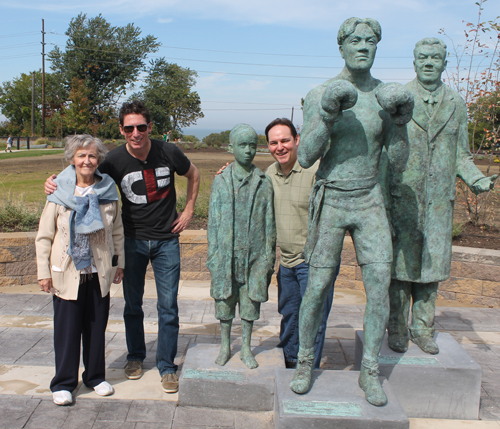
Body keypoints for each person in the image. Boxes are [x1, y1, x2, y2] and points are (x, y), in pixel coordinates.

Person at [289, 17, 413, 406]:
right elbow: (306, 156)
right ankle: (306, 361)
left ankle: (371, 370)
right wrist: (327, 114)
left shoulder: (385, 97)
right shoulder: (321, 92)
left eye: (370, 41)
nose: (363, 46)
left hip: (369, 199)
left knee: (379, 287)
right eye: (355, 40)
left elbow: (399, 161)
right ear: (340, 47)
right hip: (332, 199)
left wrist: (400, 123)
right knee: (317, 285)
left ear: (378, 47)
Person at [44, 101, 200, 394]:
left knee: (168, 307)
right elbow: (82, 169)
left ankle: (167, 365)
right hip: (132, 241)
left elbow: (194, 174)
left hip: (167, 241)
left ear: (150, 127)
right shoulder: (114, 160)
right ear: (122, 130)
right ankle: (135, 357)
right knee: (133, 306)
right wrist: (52, 181)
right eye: (129, 128)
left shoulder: (169, 152)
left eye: (141, 127)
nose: (136, 133)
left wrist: (189, 211)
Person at [386, 38, 498, 355]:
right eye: (423, 57)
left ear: (445, 63)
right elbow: (386, 152)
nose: (429, 62)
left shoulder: (457, 104)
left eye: (436, 57)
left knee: (430, 270)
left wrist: (476, 178)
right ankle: (396, 328)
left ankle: (423, 328)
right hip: (404, 198)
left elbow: (462, 155)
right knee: (400, 269)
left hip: (438, 202)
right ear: (414, 62)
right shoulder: (400, 100)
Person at [36, 134, 125, 406]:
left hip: (98, 273)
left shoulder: (108, 192)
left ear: (98, 160)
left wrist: (119, 263)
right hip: (67, 273)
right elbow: (44, 236)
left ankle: (95, 377)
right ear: (72, 159)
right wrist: (43, 271)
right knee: (67, 331)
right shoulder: (59, 192)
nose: (87, 160)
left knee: (96, 329)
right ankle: (63, 383)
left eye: (92, 156)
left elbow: (118, 231)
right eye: (81, 155)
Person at [265, 117, 340, 370]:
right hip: (286, 263)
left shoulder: (316, 171)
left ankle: (307, 370)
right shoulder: (270, 174)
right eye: (274, 142)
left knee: (313, 321)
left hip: (314, 263)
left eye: (285, 140)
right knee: (290, 316)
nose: (280, 147)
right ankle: (289, 362)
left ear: (297, 140)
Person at [207, 124, 276, 369]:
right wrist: (213, 255)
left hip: (254, 255)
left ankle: (246, 347)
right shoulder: (221, 182)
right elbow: (213, 222)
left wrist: (268, 257)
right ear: (231, 148)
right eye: (242, 145)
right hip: (226, 254)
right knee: (224, 303)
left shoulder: (263, 183)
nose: (248, 151)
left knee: (249, 303)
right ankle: (225, 346)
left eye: (252, 145)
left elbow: (270, 223)